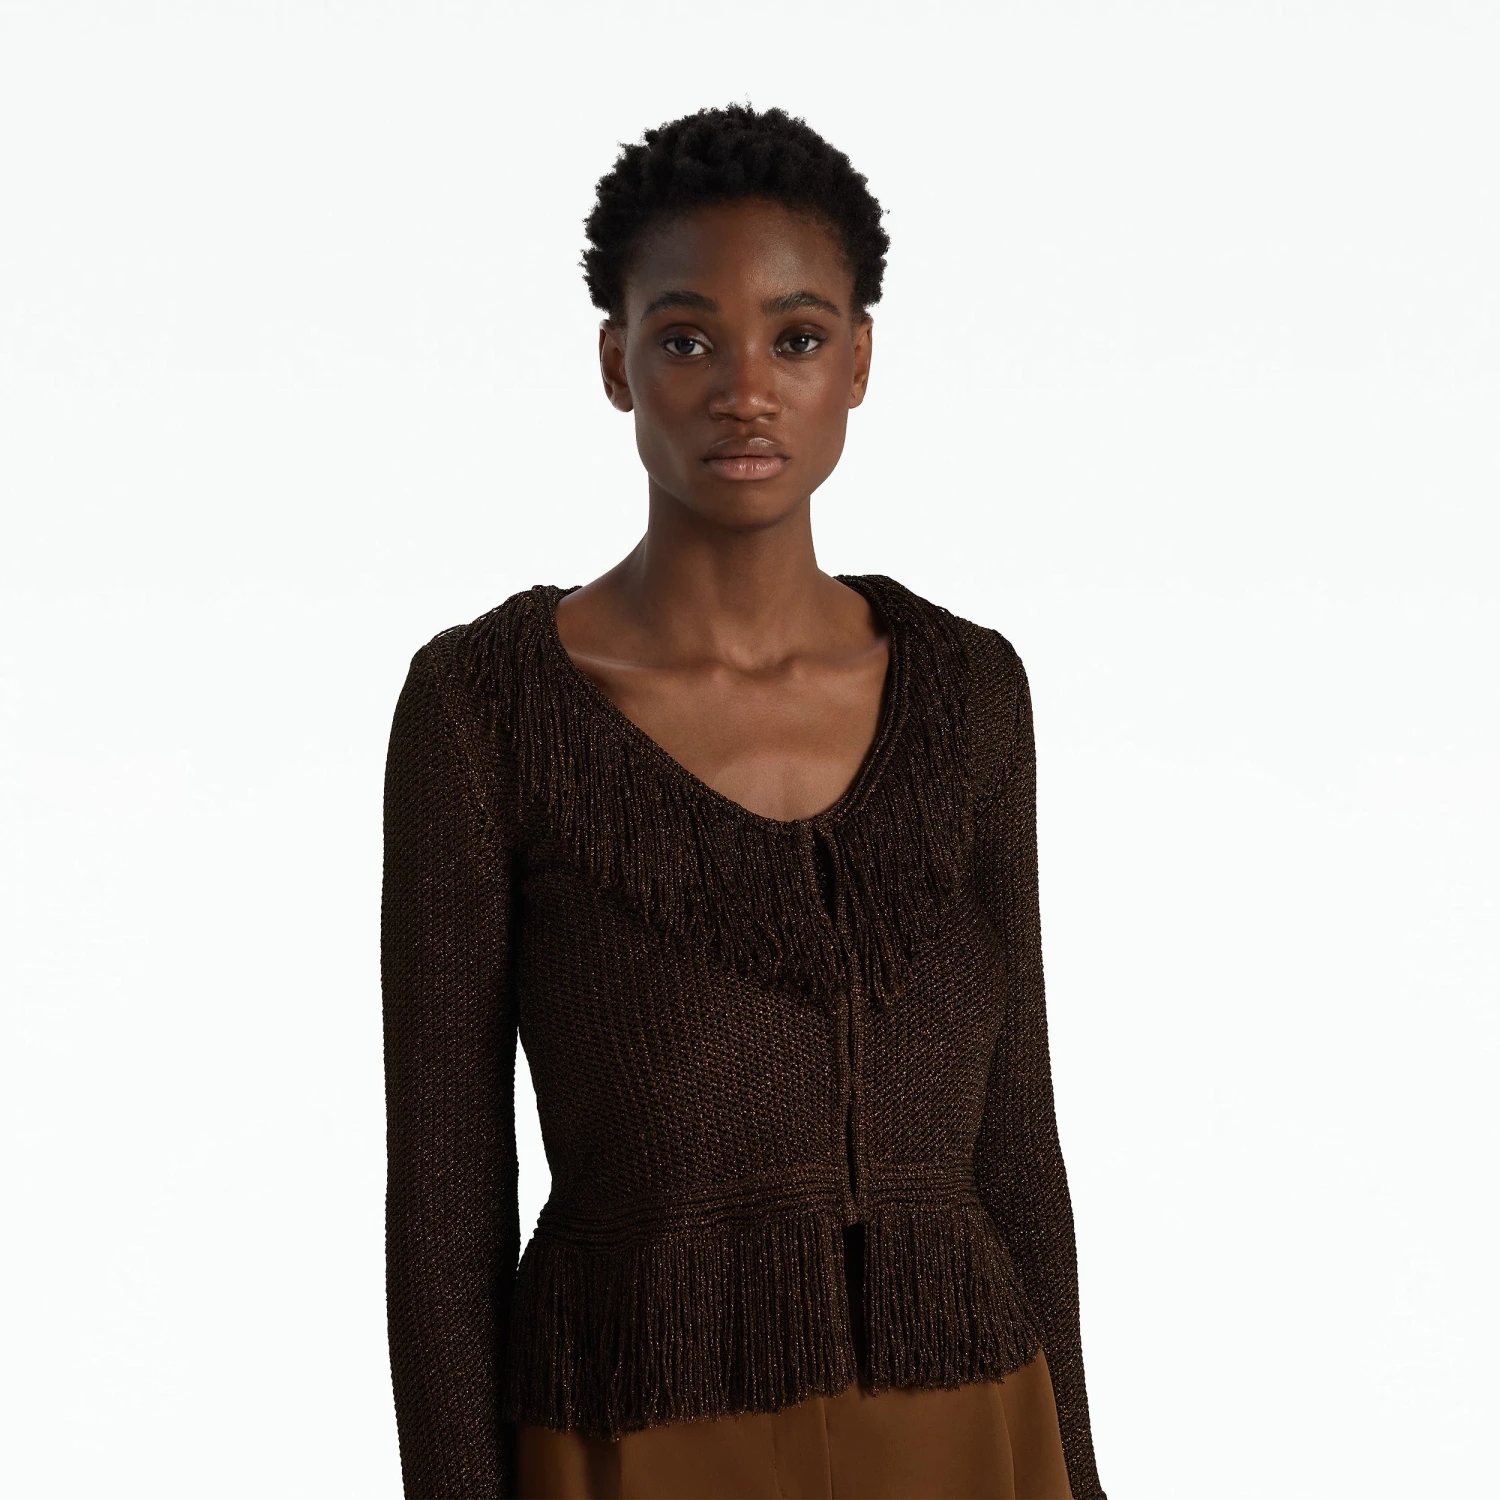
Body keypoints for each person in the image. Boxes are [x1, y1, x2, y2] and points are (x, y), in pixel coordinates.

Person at [382, 104, 1106, 1500]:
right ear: (617, 362)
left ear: (860, 360)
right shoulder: (488, 707)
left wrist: (1077, 1471)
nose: (746, 391)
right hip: (634, 1432)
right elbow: (444, 1192)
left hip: (968, 1429)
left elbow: (1017, 1146)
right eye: (686, 340)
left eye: (798, 337)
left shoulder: (971, 693)